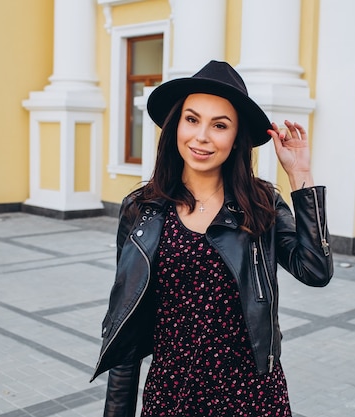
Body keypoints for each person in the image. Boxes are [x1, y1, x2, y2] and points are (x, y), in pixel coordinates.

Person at [91, 60, 333, 417]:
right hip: (171, 396)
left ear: (236, 139)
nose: (202, 136)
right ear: (176, 126)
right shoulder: (141, 210)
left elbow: (315, 269)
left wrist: (301, 174)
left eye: (219, 125)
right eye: (192, 119)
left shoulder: (260, 203)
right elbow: (125, 320)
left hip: (251, 395)